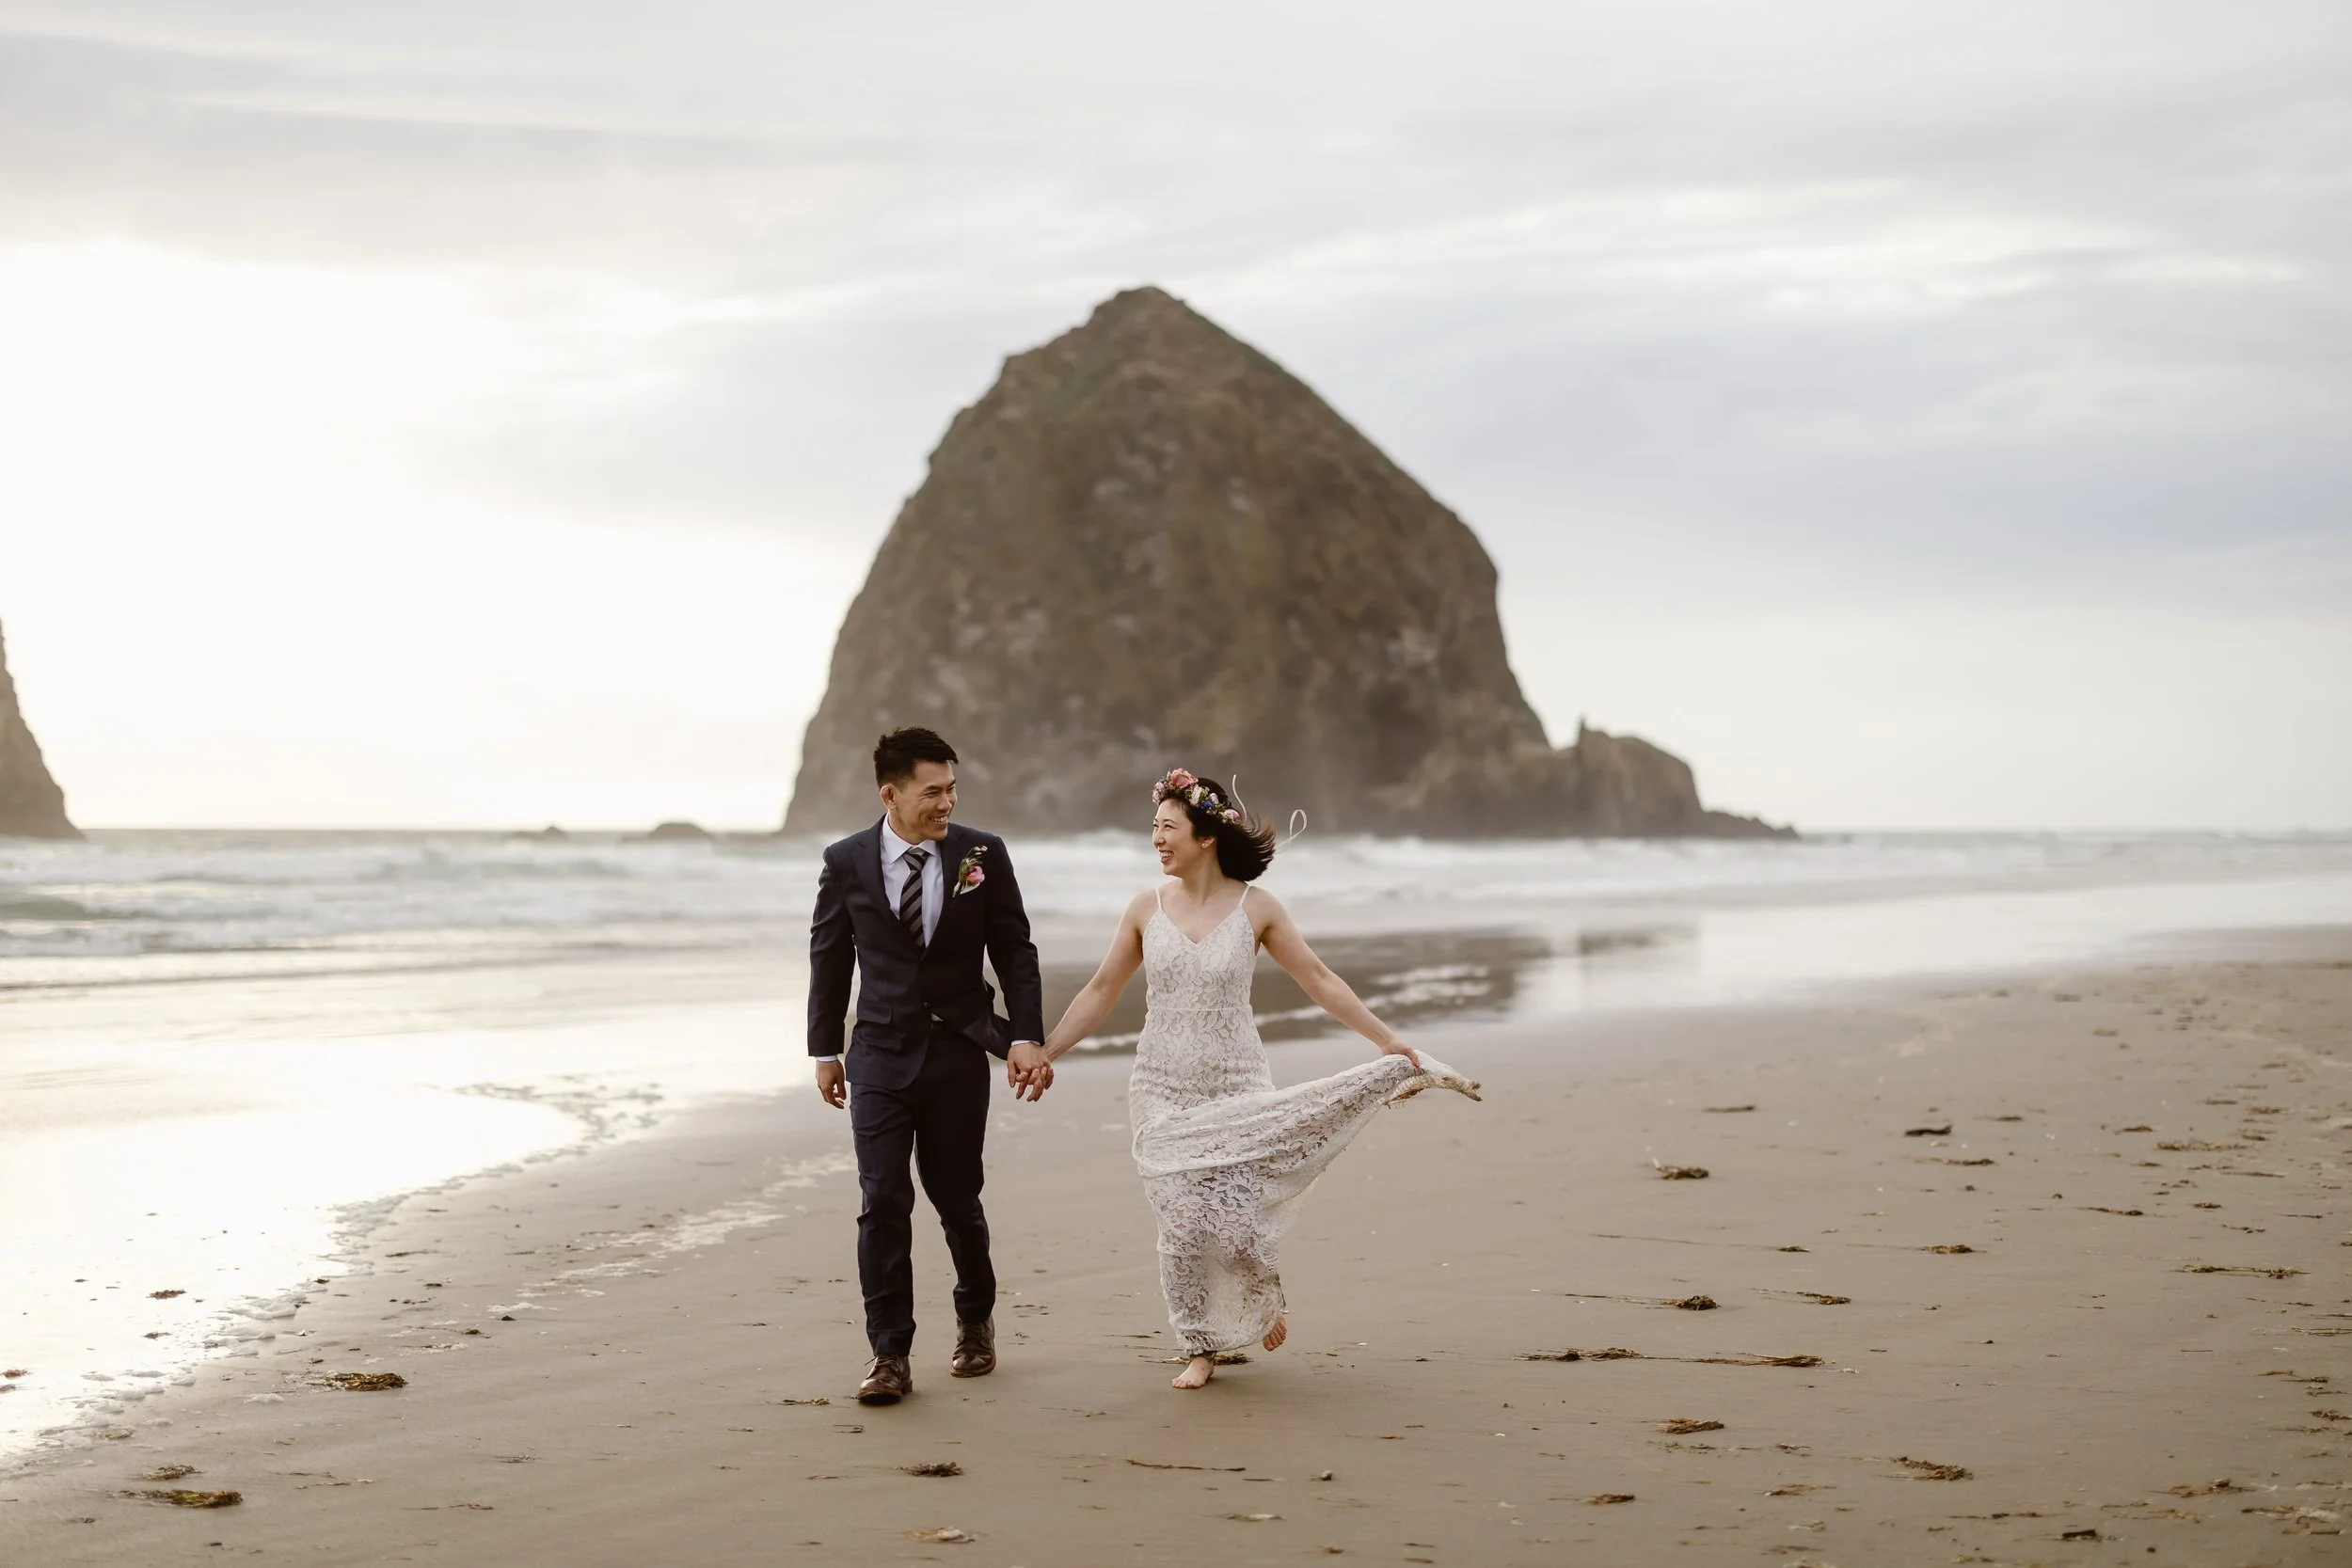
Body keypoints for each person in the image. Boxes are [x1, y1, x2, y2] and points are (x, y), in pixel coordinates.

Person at [1035, 768, 1478, 1389]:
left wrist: (1386, 1040)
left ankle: (1261, 1289)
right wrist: (1050, 1046)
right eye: (1154, 829)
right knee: (1184, 1223)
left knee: (1239, 1228)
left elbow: (1320, 978)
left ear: (1205, 835)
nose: (1157, 840)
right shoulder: (1144, 907)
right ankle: (1199, 1344)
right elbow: (1103, 989)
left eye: (1167, 828)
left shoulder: (1258, 908)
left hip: (1239, 1083)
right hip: (1161, 1088)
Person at [806, 727, 1052, 1405]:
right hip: (879, 1054)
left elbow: (1015, 949)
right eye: (932, 791)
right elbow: (830, 957)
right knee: (882, 1199)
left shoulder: (981, 853)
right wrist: (824, 1048)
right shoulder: (847, 860)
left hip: (956, 1052)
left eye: (952, 789)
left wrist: (1025, 1034)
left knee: (955, 1196)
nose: (946, 803)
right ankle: (889, 1353)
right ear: (891, 793)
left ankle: (975, 1318)